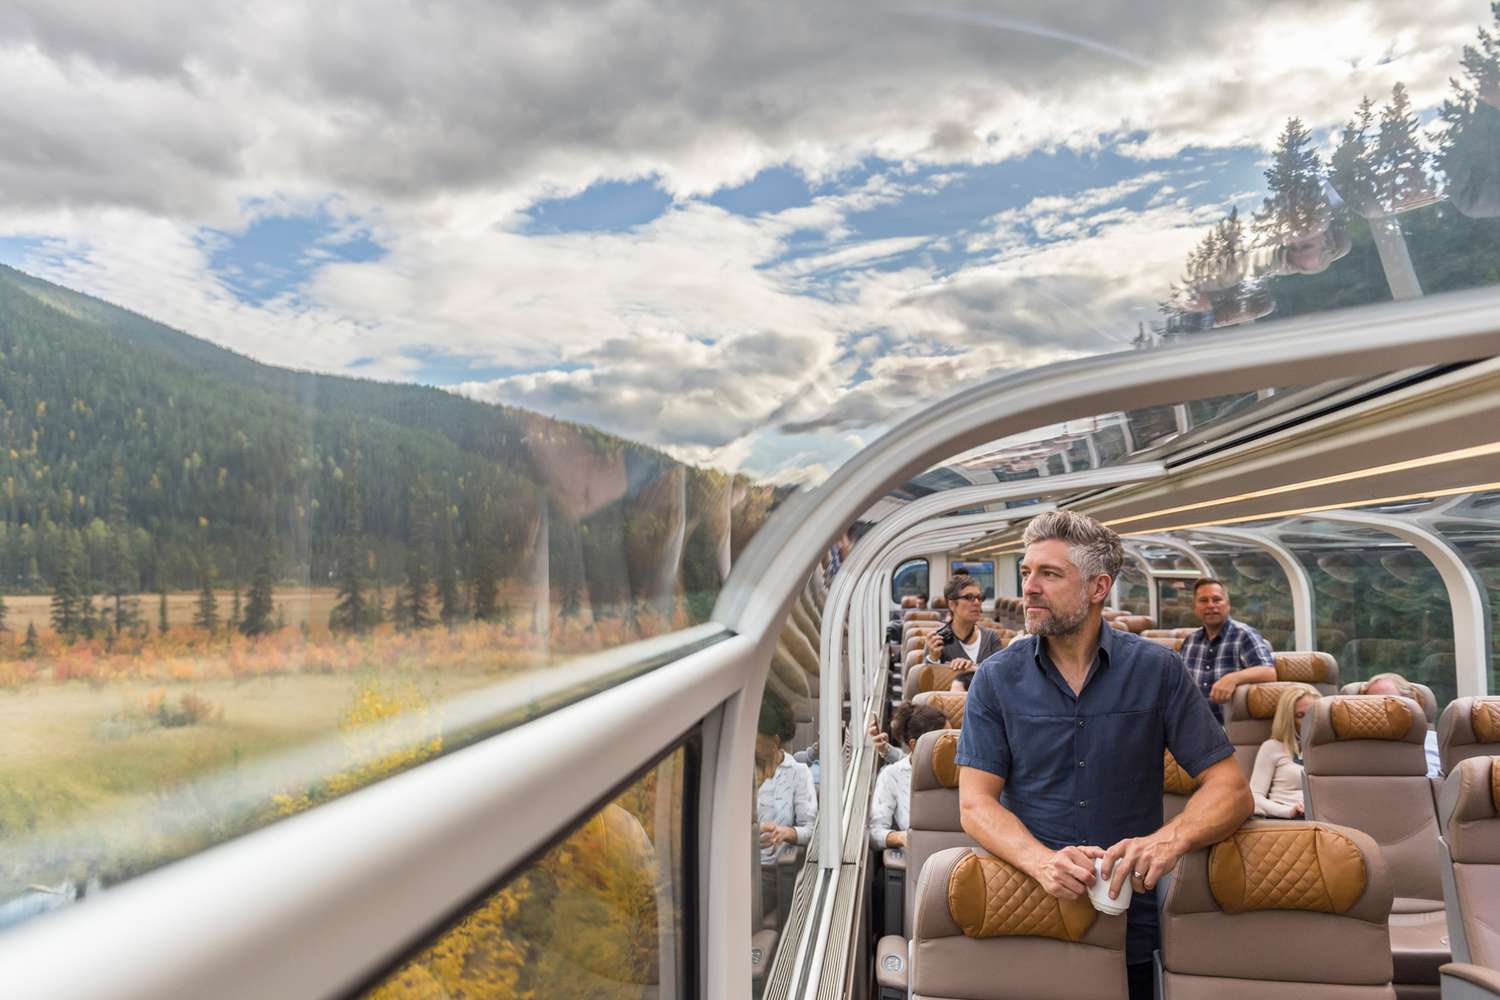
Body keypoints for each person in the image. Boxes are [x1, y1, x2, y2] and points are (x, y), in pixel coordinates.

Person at [955, 511, 1252, 1000]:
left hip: (1130, 913)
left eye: (1050, 574)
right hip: (1028, 908)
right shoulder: (996, 678)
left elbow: (1232, 790)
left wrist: (1167, 841)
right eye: (1027, 571)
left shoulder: (1157, 670)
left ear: (1098, 587)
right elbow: (974, 804)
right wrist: (1042, 862)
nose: (1029, 587)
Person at [1177, 578, 1276, 722]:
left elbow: (1268, 672)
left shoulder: (1244, 635)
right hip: (1194, 723)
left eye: (1217, 600)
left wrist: (1231, 679)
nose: (1211, 605)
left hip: (1231, 726)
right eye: (1203, 600)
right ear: (1195, 608)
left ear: (1228, 605)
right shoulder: (1190, 641)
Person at [868, 703, 949, 851]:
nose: (953, 746)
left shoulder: (963, 770)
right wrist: (903, 838)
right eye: (944, 742)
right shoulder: (892, 776)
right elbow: (875, 833)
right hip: (921, 853)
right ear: (914, 745)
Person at [755, 692, 816, 868]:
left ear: (774, 742)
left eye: (756, 738)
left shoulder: (798, 773)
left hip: (773, 870)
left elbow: (810, 830)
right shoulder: (740, 771)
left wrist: (786, 833)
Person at [1249, 684, 1320, 818]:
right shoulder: (1272, 747)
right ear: (1289, 720)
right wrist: (1289, 811)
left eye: (1313, 714)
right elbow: (1254, 797)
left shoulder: (1330, 751)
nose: (1309, 722)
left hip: (1323, 819)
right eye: (1300, 715)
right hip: (1286, 819)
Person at [1364, 672, 1441, 777]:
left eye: (1390, 702)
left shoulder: (1436, 742)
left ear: (1410, 704)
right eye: (1372, 703)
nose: (1381, 709)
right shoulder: (1354, 748)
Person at [923, 575, 1004, 672]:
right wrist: (933, 658)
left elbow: (1002, 674)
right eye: (969, 597)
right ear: (952, 605)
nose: (977, 602)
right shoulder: (937, 640)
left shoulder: (991, 638)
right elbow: (927, 678)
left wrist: (973, 667)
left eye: (979, 597)